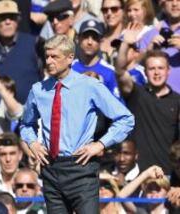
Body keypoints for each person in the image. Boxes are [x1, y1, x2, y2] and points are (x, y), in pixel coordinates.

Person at [20, 34, 134, 213]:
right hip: (51, 167)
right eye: (47, 56)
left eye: (54, 57)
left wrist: (100, 144)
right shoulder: (38, 90)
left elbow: (126, 119)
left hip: (81, 167)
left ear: (70, 58)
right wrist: (33, 143)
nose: (49, 61)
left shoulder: (89, 86)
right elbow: (26, 124)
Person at [115, 49, 180, 175]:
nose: (156, 73)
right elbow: (119, 72)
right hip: (138, 174)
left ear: (168, 71)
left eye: (160, 68)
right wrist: (125, 45)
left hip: (167, 174)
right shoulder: (136, 93)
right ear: (145, 72)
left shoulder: (177, 101)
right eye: (152, 68)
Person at [0, 0, 42, 104]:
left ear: (18, 19)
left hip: (31, 112)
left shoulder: (35, 43)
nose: (7, 22)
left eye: (12, 17)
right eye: (2, 18)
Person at [72, 19, 121, 99]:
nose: (90, 42)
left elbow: (117, 105)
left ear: (100, 42)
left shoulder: (109, 72)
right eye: (85, 37)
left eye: (94, 38)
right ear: (78, 39)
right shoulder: (69, 68)